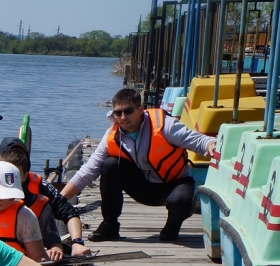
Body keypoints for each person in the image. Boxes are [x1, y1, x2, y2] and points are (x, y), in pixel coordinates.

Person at [60, 87, 216, 241]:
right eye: (118, 113)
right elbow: (87, 172)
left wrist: (210, 145)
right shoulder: (112, 136)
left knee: (181, 200)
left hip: (173, 184)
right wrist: (58, 199)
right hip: (143, 188)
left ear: (140, 109)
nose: (122, 117)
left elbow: (198, 140)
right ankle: (109, 226)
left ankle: (172, 226)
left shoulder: (165, 126)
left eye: (128, 111)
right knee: (109, 165)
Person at [0, 138, 91, 260]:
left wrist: (76, 243)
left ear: (25, 175)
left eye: (16, 174)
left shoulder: (41, 196)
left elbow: (69, 213)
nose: (11, 180)